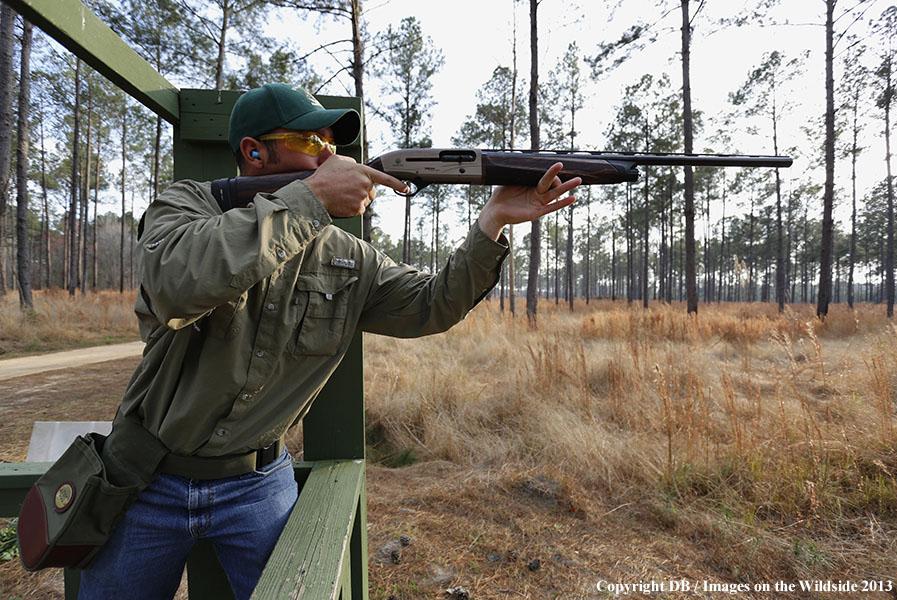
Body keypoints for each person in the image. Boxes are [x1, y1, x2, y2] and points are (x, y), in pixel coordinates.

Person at [78, 83, 580, 599]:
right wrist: (310, 199)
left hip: (256, 483)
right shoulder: (186, 206)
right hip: (144, 476)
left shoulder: (346, 253)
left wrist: (491, 221)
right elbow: (177, 285)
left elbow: (432, 305)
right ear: (254, 151)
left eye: (333, 145)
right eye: (313, 143)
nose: (332, 155)